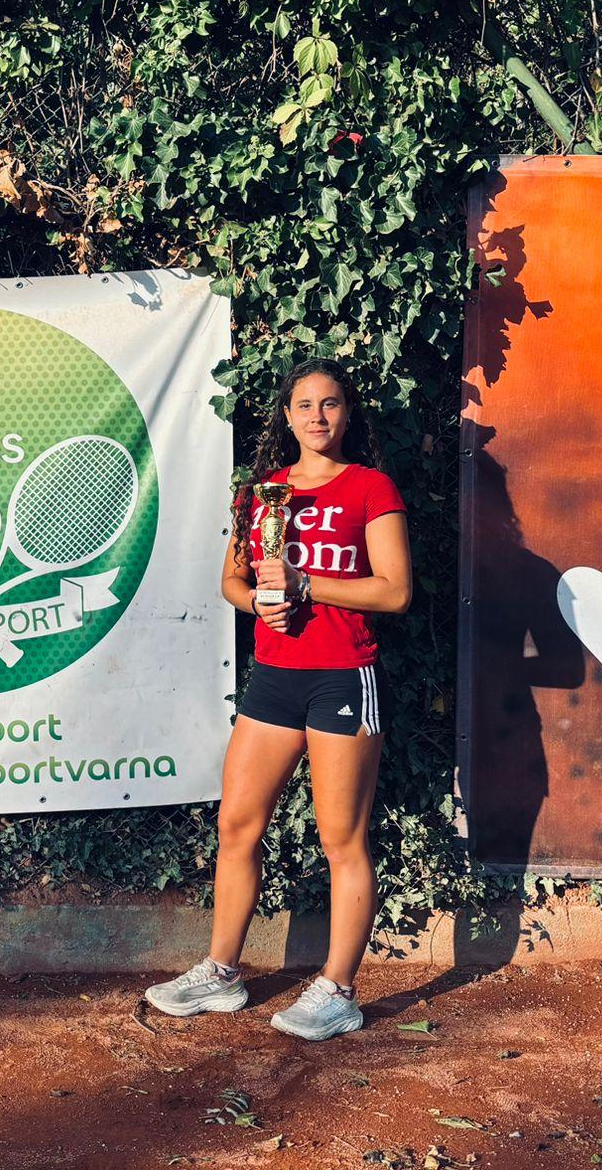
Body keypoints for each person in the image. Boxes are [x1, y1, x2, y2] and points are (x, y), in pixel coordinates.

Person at [145, 359, 412, 1039]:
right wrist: (261, 605)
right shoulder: (261, 495)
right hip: (273, 677)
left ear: (347, 415)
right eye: (304, 405)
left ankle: (338, 990)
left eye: (329, 405)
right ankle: (222, 973)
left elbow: (394, 591)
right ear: (286, 416)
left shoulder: (369, 487)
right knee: (237, 826)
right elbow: (233, 583)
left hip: (342, 677)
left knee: (340, 839)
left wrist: (304, 585)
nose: (317, 417)